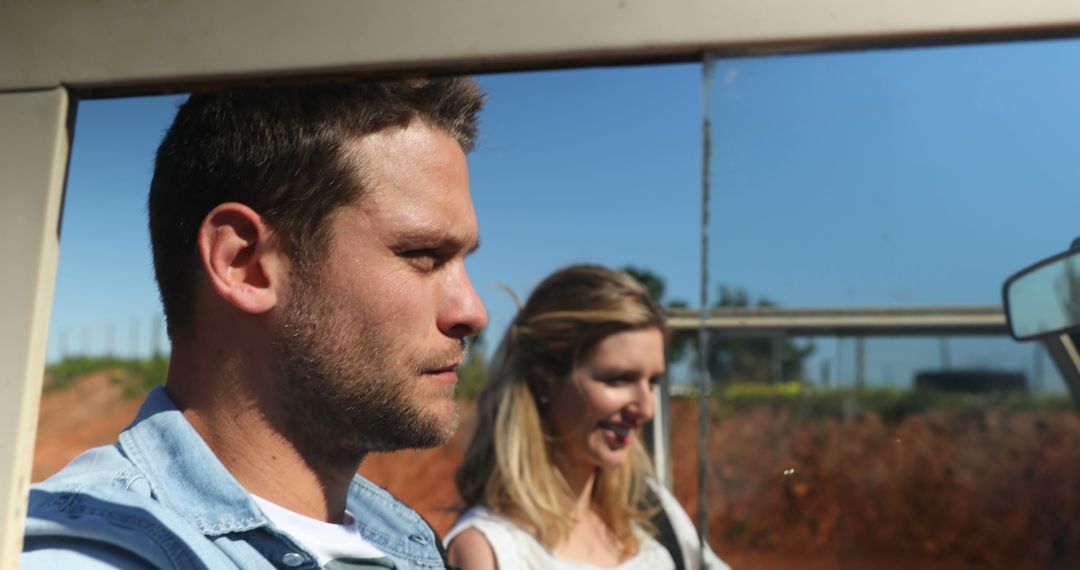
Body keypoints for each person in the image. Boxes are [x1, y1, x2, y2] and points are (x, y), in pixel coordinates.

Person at [22, 78, 489, 569]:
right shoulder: (90, 553)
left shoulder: (405, 538)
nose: (472, 311)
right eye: (423, 255)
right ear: (244, 262)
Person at [446, 265, 729, 570]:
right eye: (618, 379)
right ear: (544, 379)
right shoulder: (489, 552)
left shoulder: (654, 511)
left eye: (653, 382)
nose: (646, 409)